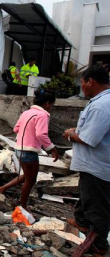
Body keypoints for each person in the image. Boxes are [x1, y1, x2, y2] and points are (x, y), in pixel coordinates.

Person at [63, 65, 110, 256]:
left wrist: (70, 134)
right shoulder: (102, 102)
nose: (81, 87)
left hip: (96, 165)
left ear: (91, 81)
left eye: (82, 82)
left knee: (96, 205)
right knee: (86, 197)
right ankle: (81, 223)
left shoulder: (101, 106)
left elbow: (89, 139)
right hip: (94, 164)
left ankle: (99, 245)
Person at [0, 90, 59, 209]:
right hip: (29, 151)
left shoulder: (26, 112)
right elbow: (41, 134)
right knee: (30, 181)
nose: (51, 107)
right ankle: (23, 206)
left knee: (27, 175)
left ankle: (2, 188)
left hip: (19, 149)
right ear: (47, 104)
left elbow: (16, 128)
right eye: (51, 105)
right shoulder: (43, 115)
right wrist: (52, 148)